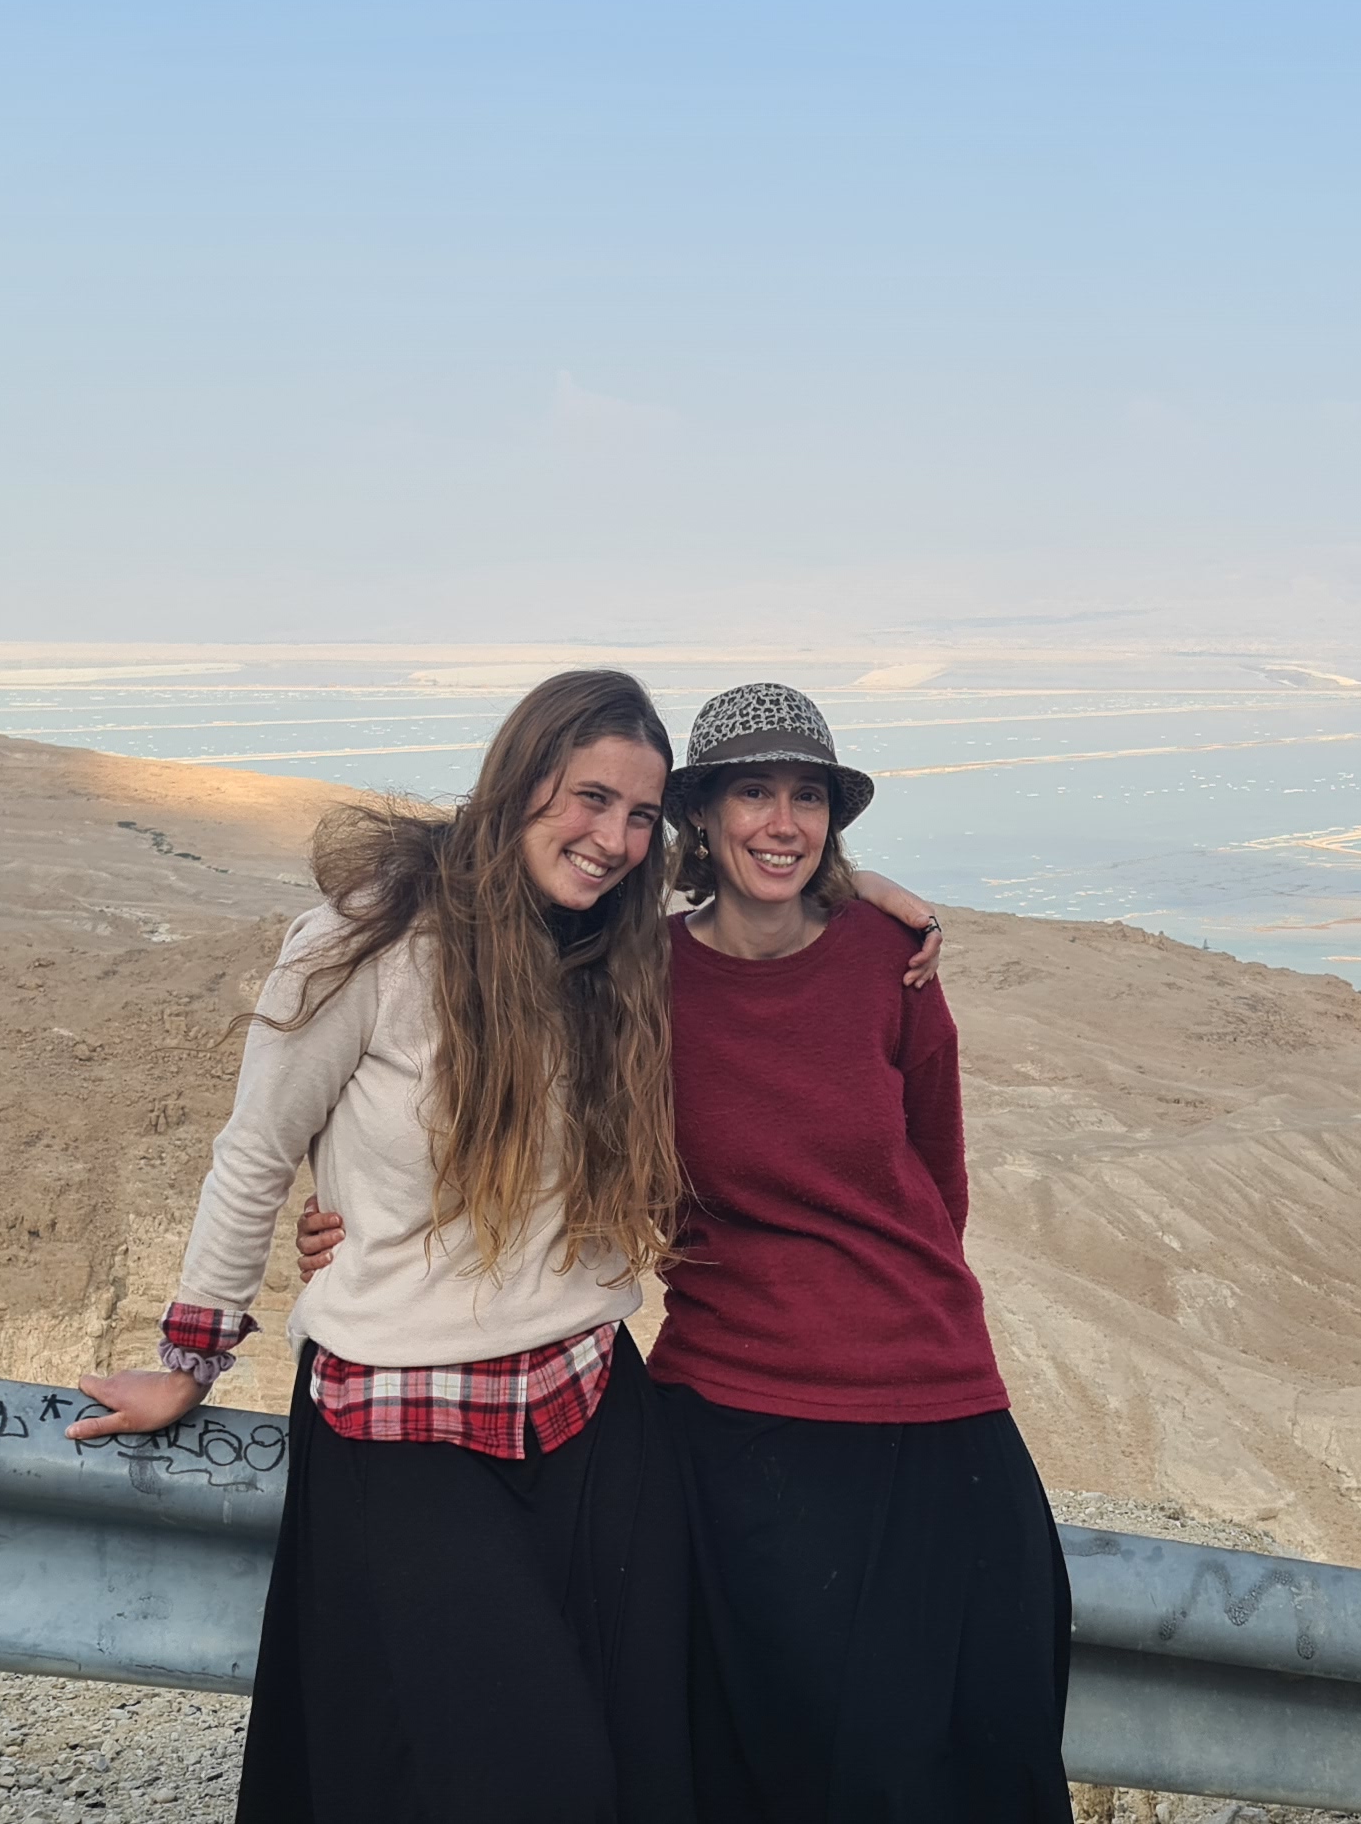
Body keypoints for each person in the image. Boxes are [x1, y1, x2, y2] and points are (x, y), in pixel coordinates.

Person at [73, 670, 948, 1824]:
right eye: (591, 798)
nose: (614, 839)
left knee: (646, 1766)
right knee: (530, 1777)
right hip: (402, 1422)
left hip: (593, 1409)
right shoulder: (365, 941)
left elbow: (755, 902)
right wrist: (190, 1358)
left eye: (640, 815)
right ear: (520, 778)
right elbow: (256, 1147)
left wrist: (864, 889)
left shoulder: (616, 951)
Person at [299, 682, 1060, 1823]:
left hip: (933, 1392)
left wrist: (879, 896)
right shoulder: (630, 971)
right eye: (753, 792)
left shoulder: (890, 959)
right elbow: (502, 1115)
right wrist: (349, 1208)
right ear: (699, 814)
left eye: (809, 797)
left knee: (978, 1739)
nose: (783, 822)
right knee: (757, 1762)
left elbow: (937, 1181)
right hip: (732, 1410)